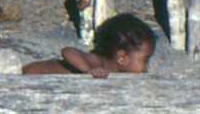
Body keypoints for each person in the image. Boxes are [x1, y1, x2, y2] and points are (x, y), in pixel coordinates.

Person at [22, 13, 157, 77]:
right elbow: (68, 51)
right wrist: (88, 71)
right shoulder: (98, 62)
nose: (146, 67)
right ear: (122, 57)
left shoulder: (114, 72)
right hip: (29, 73)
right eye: (145, 60)